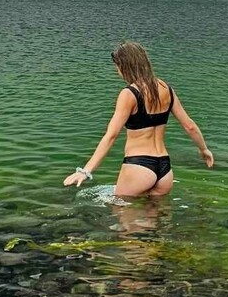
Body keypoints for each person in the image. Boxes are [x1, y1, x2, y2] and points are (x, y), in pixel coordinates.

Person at [63, 41, 214, 198]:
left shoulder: (129, 94)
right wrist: (204, 150)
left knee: (123, 211)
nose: (117, 71)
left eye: (117, 66)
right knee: (157, 213)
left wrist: (86, 171)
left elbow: (111, 135)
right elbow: (189, 126)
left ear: (125, 66)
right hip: (164, 168)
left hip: (139, 166)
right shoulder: (166, 89)